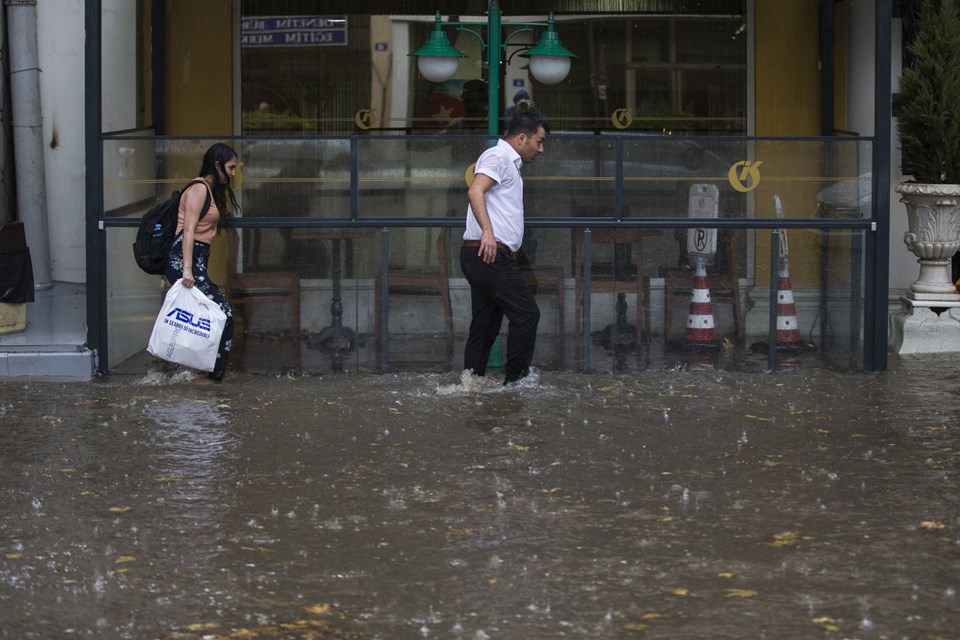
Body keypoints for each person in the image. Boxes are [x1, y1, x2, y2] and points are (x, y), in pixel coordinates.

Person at [460, 110, 548, 385]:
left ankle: (471, 383)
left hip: (484, 254)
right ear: (522, 138)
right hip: (489, 253)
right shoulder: (498, 157)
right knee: (527, 314)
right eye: (539, 141)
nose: (541, 149)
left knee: (486, 324)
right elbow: (475, 190)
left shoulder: (509, 163)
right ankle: (516, 383)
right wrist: (488, 232)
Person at [165, 143, 240, 381]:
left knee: (205, 316)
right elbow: (188, 231)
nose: (233, 173)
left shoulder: (209, 189)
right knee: (223, 313)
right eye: (231, 167)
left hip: (195, 259)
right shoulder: (198, 189)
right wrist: (187, 269)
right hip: (185, 260)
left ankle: (195, 370)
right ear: (217, 165)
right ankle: (213, 374)